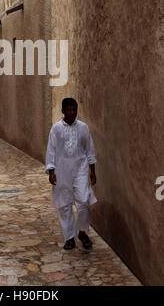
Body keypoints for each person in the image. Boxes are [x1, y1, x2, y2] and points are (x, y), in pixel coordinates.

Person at [45, 98, 97, 250]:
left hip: (80, 168)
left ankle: (82, 232)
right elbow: (51, 150)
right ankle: (69, 238)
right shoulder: (56, 129)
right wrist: (51, 171)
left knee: (84, 199)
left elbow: (89, 150)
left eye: (74, 109)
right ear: (63, 111)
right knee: (64, 204)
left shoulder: (83, 128)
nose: (72, 112)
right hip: (62, 170)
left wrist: (92, 171)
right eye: (68, 110)